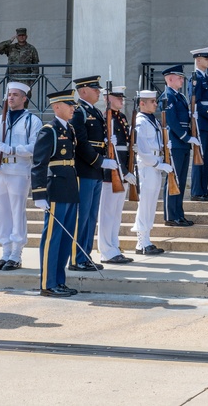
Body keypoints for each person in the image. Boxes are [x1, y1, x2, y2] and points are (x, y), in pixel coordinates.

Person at [0, 81, 42, 270]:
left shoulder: (32, 121)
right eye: (9, 94)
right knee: (1, 213)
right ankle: (5, 252)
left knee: (17, 212)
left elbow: (36, 147)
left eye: (15, 95)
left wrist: (13, 150)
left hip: (19, 171)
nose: (11, 97)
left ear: (24, 98)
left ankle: (16, 254)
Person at [31, 89, 81, 297]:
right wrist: (39, 194)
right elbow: (39, 164)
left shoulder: (69, 129)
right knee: (52, 238)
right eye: (70, 106)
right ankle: (48, 283)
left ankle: (59, 280)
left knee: (65, 238)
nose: (73, 109)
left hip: (69, 187)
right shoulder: (49, 130)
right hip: (55, 188)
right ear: (57, 106)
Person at [69, 75, 118, 271]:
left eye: (98, 88)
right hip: (85, 168)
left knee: (91, 216)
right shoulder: (79, 111)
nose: (99, 92)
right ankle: (77, 257)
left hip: (96, 171)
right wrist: (99, 161)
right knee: (82, 216)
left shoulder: (95, 112)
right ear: (83, 91)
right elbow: (80, 142)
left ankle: (85, 255)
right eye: (94, 88)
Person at [133, 90, 173, 255]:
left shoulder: (153, 121)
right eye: (152, 101)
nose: (156, 104)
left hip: (156, 165)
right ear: (142, 103)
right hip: (147, 166)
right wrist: (158, 163)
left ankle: (146, 239)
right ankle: (141, 242)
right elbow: (141, 150)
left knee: (150, 204)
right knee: (145, 204)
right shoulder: (141, 122)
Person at [97, 85, 134, 265]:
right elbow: (108, 150)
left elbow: (124, 148)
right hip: (110, 172)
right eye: (117, 97)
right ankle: (106, 250)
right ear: (107, 99)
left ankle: (114, 246)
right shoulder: (105, 119)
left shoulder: (122, 118)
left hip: (122, 170)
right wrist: (123, 171)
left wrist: (128, 169)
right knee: (107, 213)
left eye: (122, 97)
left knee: (116, 213)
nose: (121, 100)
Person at [162, 64, 199, 227]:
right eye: (179, 77)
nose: (182, 80)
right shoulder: (168, 96)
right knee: (173, 179)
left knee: (181, 180)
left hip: (183, 144)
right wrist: (186, 137)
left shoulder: (180, 96)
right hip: (176, 143)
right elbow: (172, 121)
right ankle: (171, 216)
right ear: (170, 79)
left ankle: (179, 213)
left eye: (182, 77)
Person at [189, 47, 208, 201]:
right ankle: (196, 191)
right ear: (198, 60)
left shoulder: (207, 78)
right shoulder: (195, 79)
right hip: (201, 122)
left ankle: (203, 190)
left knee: (206, 158)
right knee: (199, 158)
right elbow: (195, 103)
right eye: (206, 59)